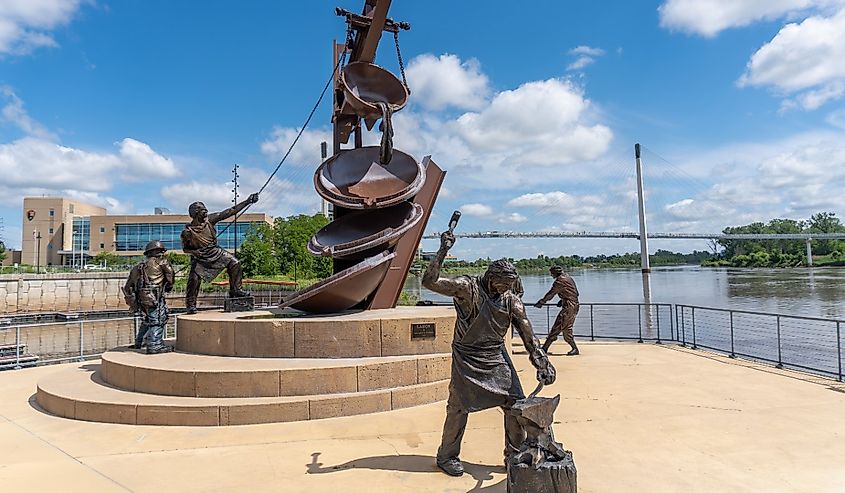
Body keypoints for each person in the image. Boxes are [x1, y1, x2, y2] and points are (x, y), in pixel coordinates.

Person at [423, 229, 556, 477]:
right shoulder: (466, 287)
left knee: (515, 403)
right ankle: (447, 456)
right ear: (490, 278)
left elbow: (528, 334)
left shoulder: (511, 300)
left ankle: (514, 454)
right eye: (501, 286)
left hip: (495, 355)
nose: (503, 291)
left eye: (508, 287)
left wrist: (542, 361)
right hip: (467, 357)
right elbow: (429, 282)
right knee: (458, 407)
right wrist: (443, 250)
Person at [181, 193, 258, 314]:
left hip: (215, 251)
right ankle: (190, 304)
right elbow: (185, 249)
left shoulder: (210, 220)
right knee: (194, 280)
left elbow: (230, 211)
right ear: (196, 213)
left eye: (206, 210)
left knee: (235, 263)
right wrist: (195, 252)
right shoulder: (187, 232)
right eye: (203, 211)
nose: (206, 213)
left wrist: (247, 201)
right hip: (200, 257)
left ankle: (236, 290)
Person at [123, 240, 175, 354]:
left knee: (147, 320)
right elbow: (170, 278)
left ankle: (139, 342)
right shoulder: (162, 262)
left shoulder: (137, 267)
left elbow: (127, 287)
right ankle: (154, 345)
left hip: (141, 299)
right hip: (155, 296)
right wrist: (168, 287)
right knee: (158, 320)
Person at [534, 266, 580, 356]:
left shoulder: (559, 281)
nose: (551, 275)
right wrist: (562, 300)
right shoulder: (568, 277)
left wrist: (541, 302)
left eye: (552, 273)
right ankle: (545, 348)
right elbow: (576, 293)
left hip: (569, 307)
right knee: (558, 326)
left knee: (564, 327)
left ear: (556, 273)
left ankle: (574, 348)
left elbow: (551, 294)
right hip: (571, 305)